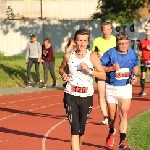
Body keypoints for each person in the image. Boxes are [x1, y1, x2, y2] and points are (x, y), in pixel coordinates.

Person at [59, 29, 106, 150]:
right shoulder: (69, 56)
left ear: (88, 42)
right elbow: (61, 68)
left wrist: (89, 71)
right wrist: (64, 74)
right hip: (71, 94)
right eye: (79, 40)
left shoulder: (92, 56)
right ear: (75, 41)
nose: (82, 43)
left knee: (81, 129)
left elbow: (103, 75)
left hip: (86, 96)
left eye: (84, 41)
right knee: (74, 127)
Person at [100, 32, 138, 149]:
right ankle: (111, 131)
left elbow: (135, 66)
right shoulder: (110, 53)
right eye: (121, 44)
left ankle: (122, 141)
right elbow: (99, 67)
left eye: (126, 43)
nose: (124, 46)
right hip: (111, 88)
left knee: (124, 113)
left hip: (125, 87)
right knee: (112, 116)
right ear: (117, 43)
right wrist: (111, 68)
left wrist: (135, 76)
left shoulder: (132, 53)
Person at [92, 22, 116, 125]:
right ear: (102, 30)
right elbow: (93, 54)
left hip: (113, 70)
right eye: (104, 29)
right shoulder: (97, 41)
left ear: (111, 30)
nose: (106, 32)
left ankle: (112, 113)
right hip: (101, 70)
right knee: (101, 94)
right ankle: (106, 117)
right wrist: (97, 57)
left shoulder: (116, 40)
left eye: (108, 29)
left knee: (113, 94)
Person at [138, 29, 150, 96]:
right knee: (143, 75)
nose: (148, 36)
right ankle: (142, 90)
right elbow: (140, 49)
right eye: (147, 35)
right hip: (144, 61)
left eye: (149, 35)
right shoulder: (142, 41)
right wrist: (139, 53)